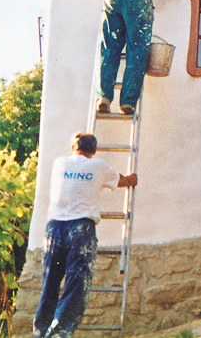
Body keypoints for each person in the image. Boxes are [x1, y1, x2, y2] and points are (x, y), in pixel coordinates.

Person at [33, 132, 138, 338]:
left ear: (73, 147)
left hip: (54, 229)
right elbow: (123, 181)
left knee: (51, 282)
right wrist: (132, 179)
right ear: (94, 151)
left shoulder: (59, 163)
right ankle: (58, 333)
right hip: (80, 229)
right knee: (76, 283)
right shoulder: (99, 166)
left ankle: (41, 332)